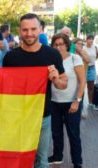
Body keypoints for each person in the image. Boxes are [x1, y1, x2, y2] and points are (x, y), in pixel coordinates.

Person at [3, 13, 68, 168]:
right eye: (25, 30)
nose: (29, 33)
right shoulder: (10, 57)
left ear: (40, 29)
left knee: (41, 160)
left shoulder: (52, 54)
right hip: (17, 116)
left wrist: (56, 79)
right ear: (20, 30)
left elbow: (64, 83)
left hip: (43, 117)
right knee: (17, 157)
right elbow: (4, 87)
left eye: (33, 29)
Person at [49, 33, 85, 168]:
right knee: (56, 132)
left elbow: (82, 82)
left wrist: (77, 100)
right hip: (54, 102)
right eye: (55, 45)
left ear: (67, 45)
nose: (59, 47)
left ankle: (77, 161)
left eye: (61, 44)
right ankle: (57, 156)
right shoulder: (50, 60)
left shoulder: (75, 59)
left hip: (72, 102)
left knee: (73, 133)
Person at [84, 35, 98, 108]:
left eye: (92, 39)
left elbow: (96, 56)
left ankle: (90, 103)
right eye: (89, 39)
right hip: (84, 68)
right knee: (82, 86)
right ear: (86, 40)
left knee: (91, 87)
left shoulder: (95, 47)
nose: (91, 40)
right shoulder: (83, 47)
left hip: (92, 68)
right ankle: (82, 102)